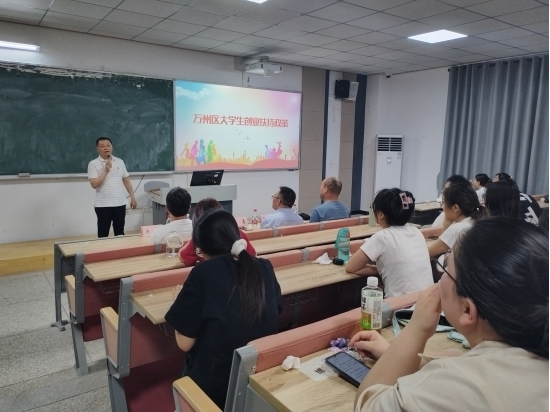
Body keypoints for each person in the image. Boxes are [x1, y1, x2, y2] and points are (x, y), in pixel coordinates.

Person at [351, 217, 549, 412]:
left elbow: (368, 405)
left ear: (467, 310)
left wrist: (417, 329)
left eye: (446, 269)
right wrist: (394, 354)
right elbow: (461, 358)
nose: (440, 278)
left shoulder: (462, 384)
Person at [165, 209, 282, 410]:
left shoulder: (202, 273)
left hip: (215, 389)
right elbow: (276, 310)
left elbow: (184, 343)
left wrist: (178, 302)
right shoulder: (264, 266)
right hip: (259, 378)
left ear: (201, 248)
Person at [345, 189, 433, 297]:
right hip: (429, 300)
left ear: (380, 214)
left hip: (401, 305)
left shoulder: (383, 237)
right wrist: (387, 269)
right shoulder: (417, 232)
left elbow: (350, 267)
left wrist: (382, 270)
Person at [178, 198, 256, 266]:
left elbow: (181, 256)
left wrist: (194, 238)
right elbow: (253, 255)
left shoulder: (199, 240)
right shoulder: (237, 233)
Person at [87, 137, 136, 238]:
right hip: (103, 205)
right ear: (97, 148)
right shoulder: (93, 164)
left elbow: (126, 180)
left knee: (120, 233)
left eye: (108, 145)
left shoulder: (120, 162)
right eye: (102, 146)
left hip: (120, 203)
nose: (106, 148)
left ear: (112, 147)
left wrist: (133, 197)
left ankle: (120, 248)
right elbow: (94, 184)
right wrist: (106, 171)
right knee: (103, 234)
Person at [428, 183, 483, 259]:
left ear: (455, 208)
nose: (442, 207)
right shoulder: (476, 221)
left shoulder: (458, 228)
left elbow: (428, 253)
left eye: (443, 203)